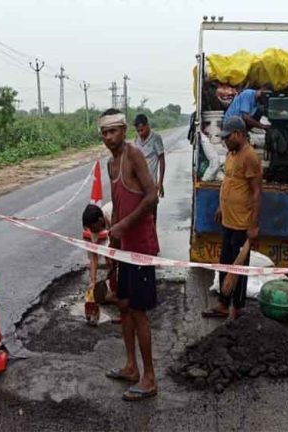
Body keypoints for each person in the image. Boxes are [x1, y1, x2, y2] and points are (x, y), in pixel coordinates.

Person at [97, 108, 160, 401]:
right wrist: (114, 238)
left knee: (138, 311)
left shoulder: (134, 155)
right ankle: (131, 366)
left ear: (123, 130)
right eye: (104, 133)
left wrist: (124, 225)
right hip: (123, 249)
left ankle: (149, 378)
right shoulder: (111, 165)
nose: (108, 137)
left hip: (141, 247)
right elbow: (118, 202)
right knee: (123, 306)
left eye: (113, 131)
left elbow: (151, 195)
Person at [201, 116, 262, 320]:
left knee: (239, 269)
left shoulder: (250, 156)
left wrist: (253, 226)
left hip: (241, 224)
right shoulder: (231, 153)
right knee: (225, 263)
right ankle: (223, 304)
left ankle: (238, 310)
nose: (225, 140)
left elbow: (256, 193)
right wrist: (221, 206)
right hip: (227, 220)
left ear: (238, 134)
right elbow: (229, 181)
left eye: (228, 137)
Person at [81, 202, 118, 325]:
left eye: (93, 228)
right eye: (90, 229)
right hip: (114, 234)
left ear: (100, 220)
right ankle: (117, 291)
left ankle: (129, 306)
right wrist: (92, 281)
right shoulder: (94, 227)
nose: (93, 231)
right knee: (111, 258)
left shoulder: (114, 213)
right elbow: (93, 257)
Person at [134, 114, 166, 224]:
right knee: (139, 218)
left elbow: (161, 160)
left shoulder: (156, 138)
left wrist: (160, 182)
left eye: (142, 130)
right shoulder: (136, 140)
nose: (140, 133)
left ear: (147, 126)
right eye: (138, 131)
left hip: (151, 186)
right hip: (138, 186)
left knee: (151, 218)